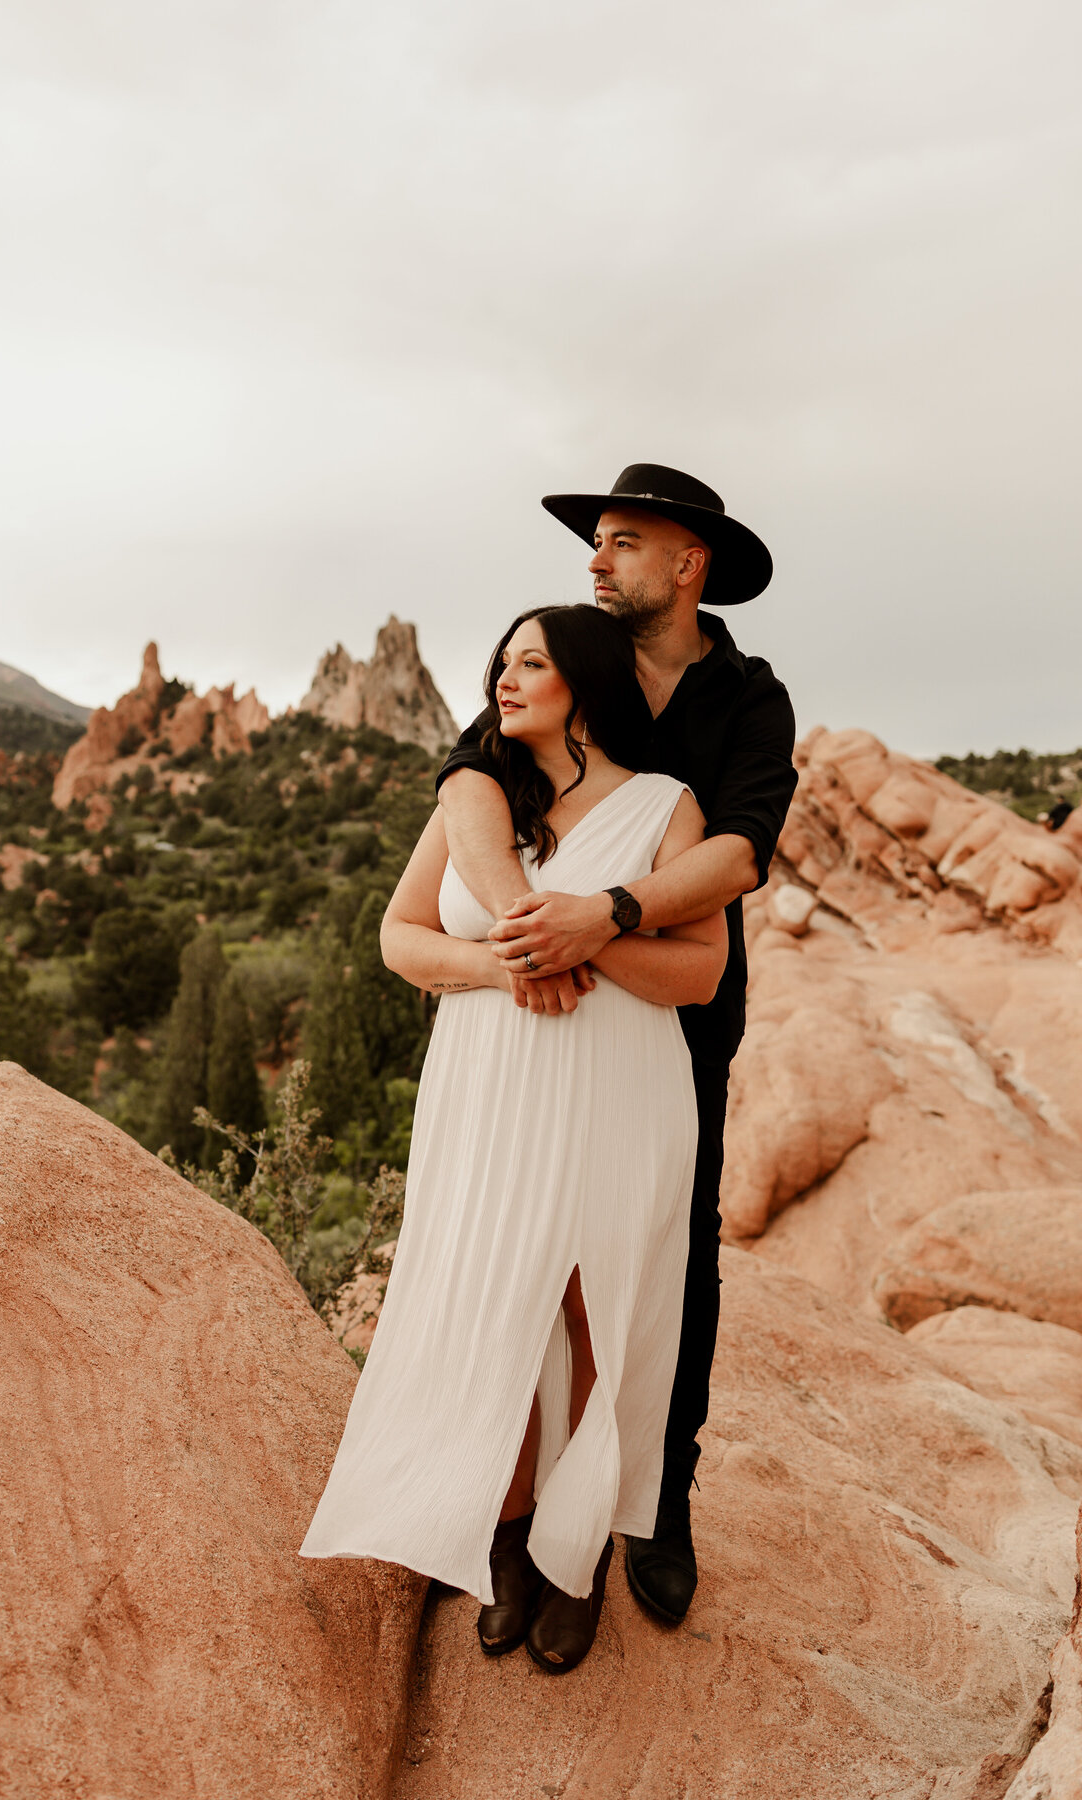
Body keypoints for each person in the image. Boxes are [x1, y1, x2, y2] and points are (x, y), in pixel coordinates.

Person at [301, 603, 727, 1673]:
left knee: (594, 1303)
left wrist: (592, 934)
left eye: (531, 661)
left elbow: (704, 973)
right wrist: (512, 963)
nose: (505, 675)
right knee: (498, 1290)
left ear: (582, 679)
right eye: (501, 660)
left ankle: (572, 1550)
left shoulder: (667, 807)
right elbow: (401, 938)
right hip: (488, 1082)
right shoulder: (475, 795)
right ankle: (508, 1520)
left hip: (621, 1084)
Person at [436, 463, 797, 1626]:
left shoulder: (748, 695)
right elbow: (466, 781)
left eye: (623, 543)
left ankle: (654, 1504)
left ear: (688, 563)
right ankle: (518, 1504)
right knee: (522, 1253)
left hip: (668, 1018)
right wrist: (523, 929)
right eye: (597, 542)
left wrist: (610, 916)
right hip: (528, 1027)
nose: (597, 561)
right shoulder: (571, 656)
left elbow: (741, 853)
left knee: (662, 1262)